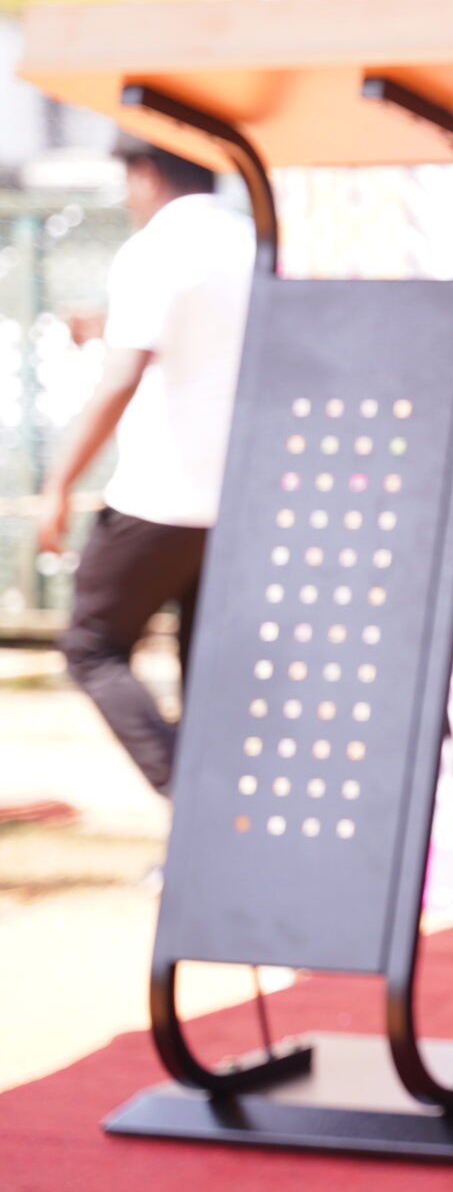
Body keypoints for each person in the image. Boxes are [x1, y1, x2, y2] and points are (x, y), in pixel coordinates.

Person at [42, 140, 254, 794]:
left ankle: (188, 800)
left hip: (161, 496)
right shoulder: (253, 241)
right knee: (205, 667)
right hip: (240, 497)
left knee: (92, 647)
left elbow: (121, 378)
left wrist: (59, 484)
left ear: (147, 174)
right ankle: (216, 819)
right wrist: (106, 329)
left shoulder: (155, 249)